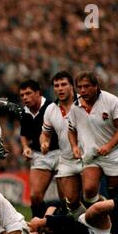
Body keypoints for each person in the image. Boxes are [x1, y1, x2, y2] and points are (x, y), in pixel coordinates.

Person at [68, 71, 118, 234]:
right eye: (79, 87)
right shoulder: (75, 106)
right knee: (88, 191)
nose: (83, 90)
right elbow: (71, 130)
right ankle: (100, 220)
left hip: (114, 153)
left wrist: (109, 145)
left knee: (115, 194)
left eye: (86, 86)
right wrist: (74, 146)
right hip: (91, 155)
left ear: (96, 86)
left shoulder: (112, 102)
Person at [41, 71, 84, 218]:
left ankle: (105, 225)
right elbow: (45, 134)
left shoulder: (84, 102)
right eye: (56, 85)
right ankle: (84, 226)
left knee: (91, 196)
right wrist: (44, 143)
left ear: (72, 86)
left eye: (63, 84)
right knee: (70, 202)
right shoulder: (50, 109)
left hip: (90, 157)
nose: (60, 88)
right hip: (67, 159)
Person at [18, 79, 60, 218]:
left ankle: (66, 229)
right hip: (40, 155)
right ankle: (39, 228)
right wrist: (25, 147)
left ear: (38, 93)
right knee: (35, 196)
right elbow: (24, 134)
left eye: (28, 93)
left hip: (62, 153)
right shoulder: (24, 112)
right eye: (22, 95)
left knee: (67, 198)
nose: (25, 97)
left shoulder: (52, 107)